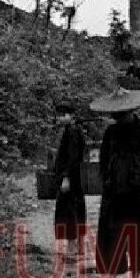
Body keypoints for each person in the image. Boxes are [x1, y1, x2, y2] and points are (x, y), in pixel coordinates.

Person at [93, 89, 140, 278]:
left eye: (122, 114)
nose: (119, 118)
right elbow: (104, 159)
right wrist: (105, 180)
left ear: (133, 110)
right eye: (116, 115)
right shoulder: (111, 132)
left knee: (137, 232)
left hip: (136, 189)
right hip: (113, 190)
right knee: (111, 233)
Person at [51, 104, 87, 266]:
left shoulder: (72, 131)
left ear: (70, 115)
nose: (59, 118)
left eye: (62, 115)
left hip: (71, 179)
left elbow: (73, 158)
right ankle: (79, 247)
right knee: (77, 210)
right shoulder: (74, 130)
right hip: (75, 179)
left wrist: (66, 178)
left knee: (69, 211)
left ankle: (73, 248)